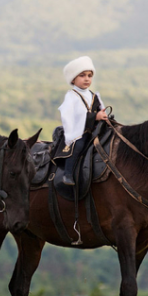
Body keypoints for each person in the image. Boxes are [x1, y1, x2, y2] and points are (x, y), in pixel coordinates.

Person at [57, 55, 110, 206]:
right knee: (78, 145)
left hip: (94, 131)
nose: (87, 79)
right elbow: (71, 117)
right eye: (82, 75)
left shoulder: (94, 96)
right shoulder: (71, 96)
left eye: (89, 75)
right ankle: (68, 174)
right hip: (78, 132)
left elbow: (101, 111)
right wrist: (95, 117)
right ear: (73, 79)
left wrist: (105, 117)